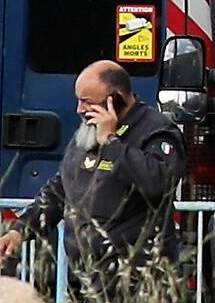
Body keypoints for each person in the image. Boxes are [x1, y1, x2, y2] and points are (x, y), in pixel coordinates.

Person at [53, 56, 186, 273]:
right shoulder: (87, 132)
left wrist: (112, 143)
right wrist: (21, 229)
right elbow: (62, 187)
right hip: (86, 273)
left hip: (136, 272)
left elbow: (158, 183)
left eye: (87, 101)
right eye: (78, 100)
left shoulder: (157, 131)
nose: (80, 109)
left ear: (115, 100)